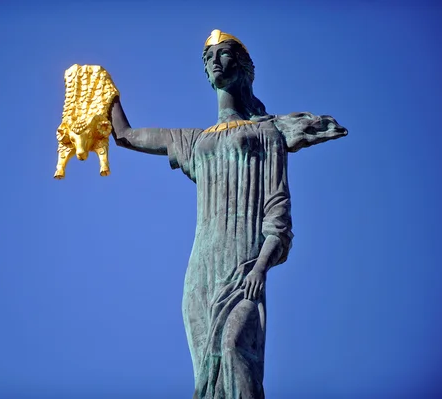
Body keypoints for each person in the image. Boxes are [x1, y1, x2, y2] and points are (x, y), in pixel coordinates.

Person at [109, 29, 347, 399]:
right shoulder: (195, 141)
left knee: (236, 348)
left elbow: (277, 209)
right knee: (208, 372)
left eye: (224, 54)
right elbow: (125, 136)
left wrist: (260, 266)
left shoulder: (266, 134)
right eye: (208, 58)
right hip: (202, 266)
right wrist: (105, 91)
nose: (215, 61)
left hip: (244, 262)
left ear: (244, 66)